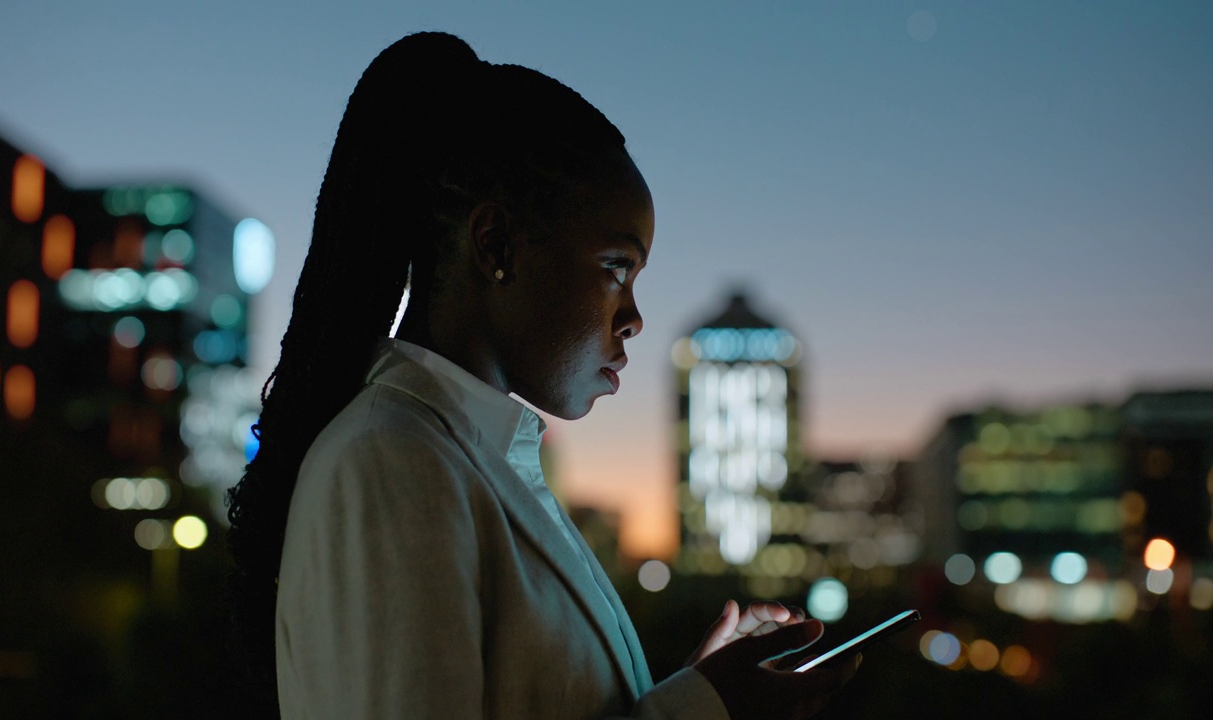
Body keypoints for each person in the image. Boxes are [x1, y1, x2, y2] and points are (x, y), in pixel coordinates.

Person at [226, 31, 858, 720]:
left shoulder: (475, 459)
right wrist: (701, 711)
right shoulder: (392, 461)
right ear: (496, 245)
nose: (634, 317)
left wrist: (698, 688)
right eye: (616, 267)